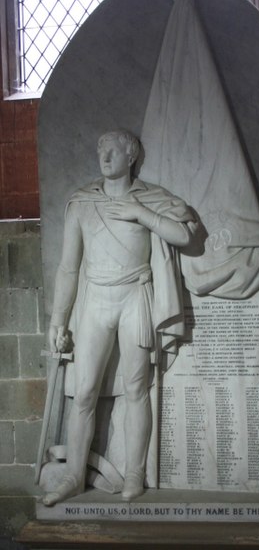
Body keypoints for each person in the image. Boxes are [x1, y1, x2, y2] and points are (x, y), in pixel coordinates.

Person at [43, 129, 196, 506]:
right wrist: (58, 320)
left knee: (136, 390)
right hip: (95, 299)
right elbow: (68, 268)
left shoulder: (149, 198)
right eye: (100, 148)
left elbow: (187, 234)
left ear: (131, 157)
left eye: (113, 148)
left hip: (135, 298)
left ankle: (134, 474)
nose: (105, 154)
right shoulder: (81, 203)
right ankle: (74, 477)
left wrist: (140, 214)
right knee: (84, 392)